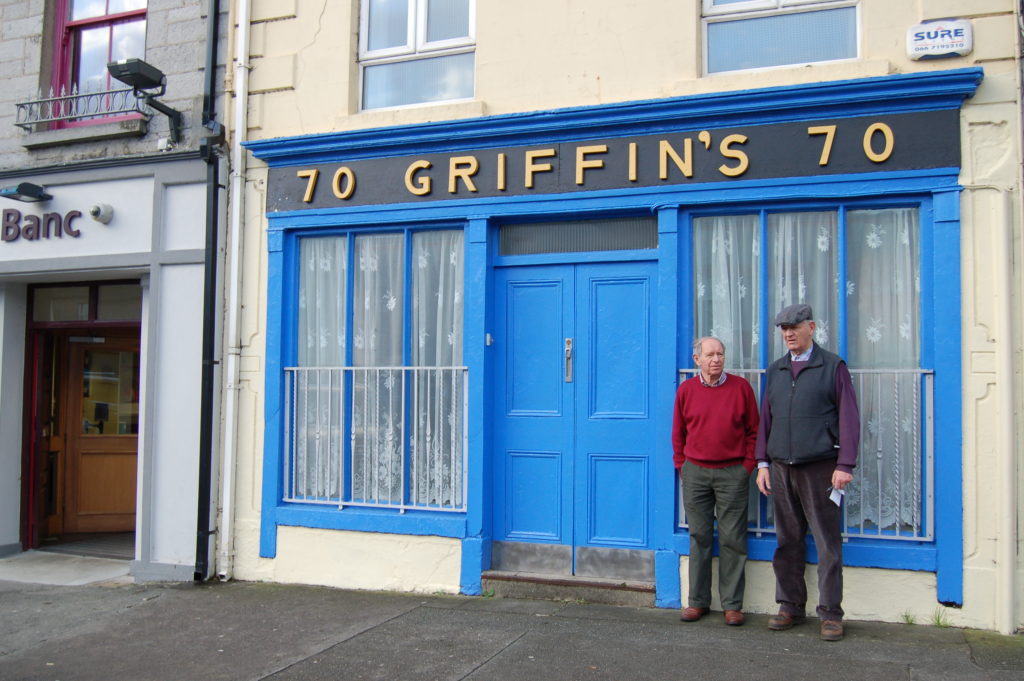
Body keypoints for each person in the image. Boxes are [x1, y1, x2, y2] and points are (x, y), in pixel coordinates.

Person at [755, 303, 860, 642]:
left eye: (794, 327)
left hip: (821, 469)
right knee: (787, 541)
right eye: (783, 329)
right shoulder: (776, 370)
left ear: (811, 327)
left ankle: (830, 614)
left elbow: (849, 418)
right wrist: (762, 463)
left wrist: (845, 464)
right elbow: (765, 421)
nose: (788, 334)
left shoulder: (832, 366)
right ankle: (789, 605)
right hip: (782, 469)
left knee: (828, 543)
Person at [672, 336, 759, 626]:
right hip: (695, 472)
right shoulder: (686, 390)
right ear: (697, 360)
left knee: (734, 539)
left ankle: (732, 605)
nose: (716, 360)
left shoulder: (741, 388)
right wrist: (682, 465)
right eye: (710, 355)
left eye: (720, 354)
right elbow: (678, 432)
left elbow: (753, 432)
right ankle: (697, 602)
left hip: (732, 472)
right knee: (699, 538)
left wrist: (746, 466)